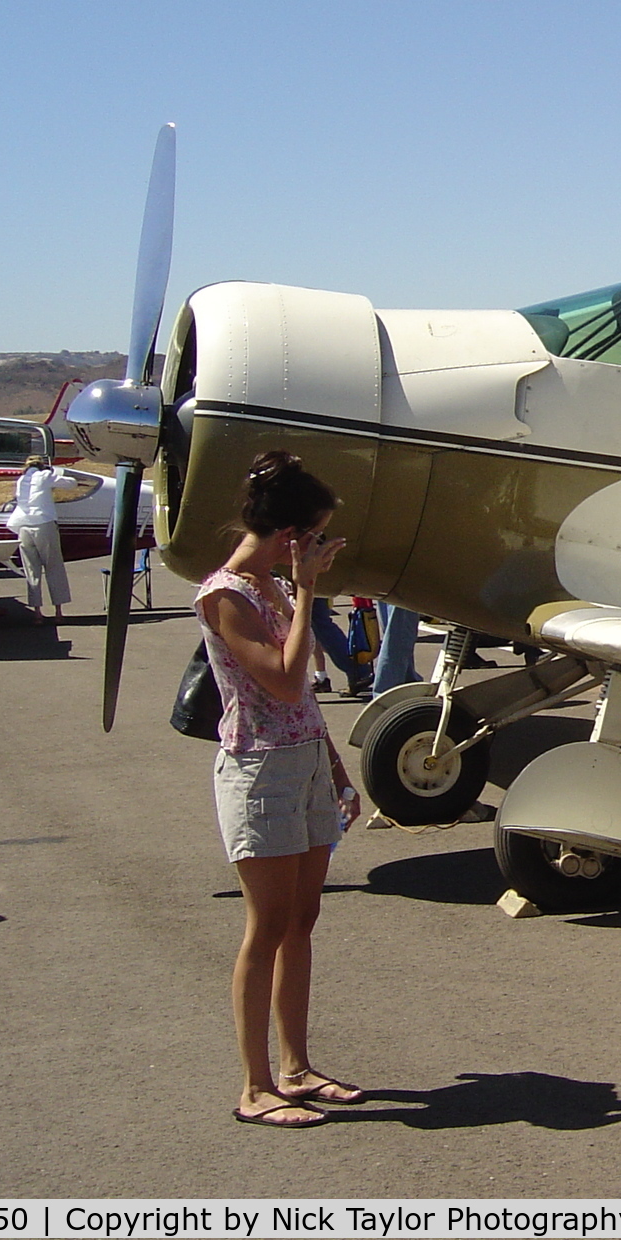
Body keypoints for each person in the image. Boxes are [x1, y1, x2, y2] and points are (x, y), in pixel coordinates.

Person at [197, 450, 366, 1128]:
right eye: (316, 535)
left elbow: (306, 702)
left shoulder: (270, 585)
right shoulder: (226, 595)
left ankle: (295, 1067)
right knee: (265, 928)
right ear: (292, 536)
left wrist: (331, 760)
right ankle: (254, 1086)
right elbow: (286, 678)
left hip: (301, 762)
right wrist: (305, 591)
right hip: (258, 771)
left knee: (302, 922)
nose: (322, 549)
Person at [6, 454, 78, 623]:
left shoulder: (21, 480)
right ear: (41, 465)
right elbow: (71, 484)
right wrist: (53, 472)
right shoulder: (44, 476)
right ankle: (58, 611)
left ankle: (37, 613)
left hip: (22, 525)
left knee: (32, 569)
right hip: (43, 523)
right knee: (53, 566)